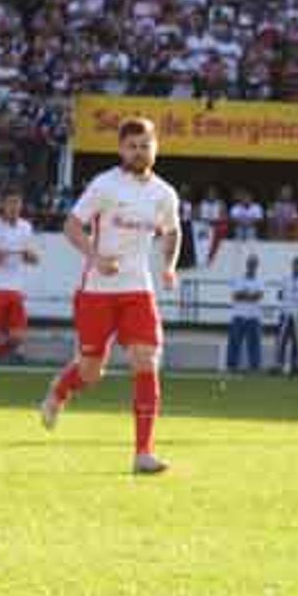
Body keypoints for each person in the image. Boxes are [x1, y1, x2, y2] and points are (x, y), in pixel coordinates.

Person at [39, 116, 182, 475]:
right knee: (90, 372)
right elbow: (72, 225)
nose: (138, 152)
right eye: (132, 146)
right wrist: (95, 258)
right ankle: (60, 390)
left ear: (155, 148)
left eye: (144, 145)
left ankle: (143, 453)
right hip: (97, 293)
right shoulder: (104, 185)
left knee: (146, 361)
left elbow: (173, 231)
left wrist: (169, 266)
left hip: (138, 289)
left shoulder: (164, 194)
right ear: (121, 149)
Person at [0, 188, 39, 396]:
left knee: (17, 338)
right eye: (10, 203)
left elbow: (33, 258)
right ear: (2, 205)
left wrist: (31, 256)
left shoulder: (26, 227)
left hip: (15, 291)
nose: (14, 207)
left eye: (18, 203)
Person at [226, 253, 266, 375]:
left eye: (254, 264)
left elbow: (258, 296)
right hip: (239, 315)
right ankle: (232, 366)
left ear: (257, 266)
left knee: (254, 344)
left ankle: (254, 367)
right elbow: (235, 296)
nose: (251, 266)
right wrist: (249, 295)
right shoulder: (239, 279)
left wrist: (245, 294)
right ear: (247, 265)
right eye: (250, 263)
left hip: (254, 317)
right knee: (234, 342)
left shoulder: (260, 280)